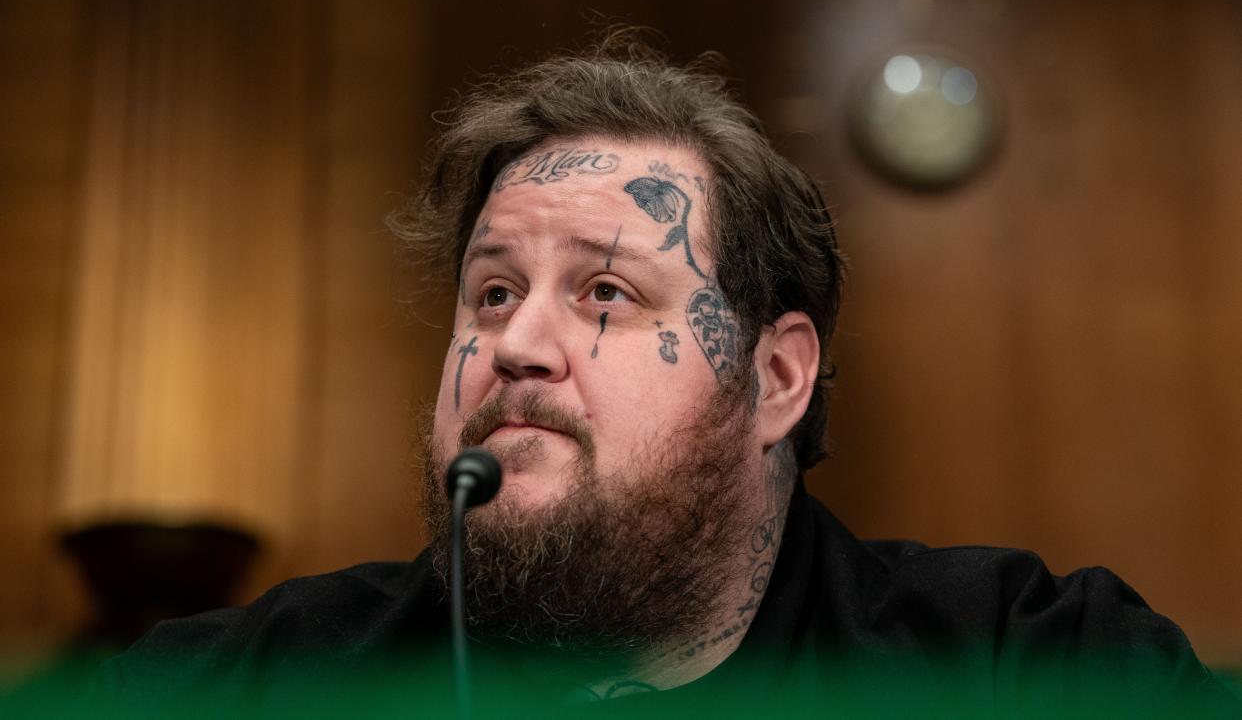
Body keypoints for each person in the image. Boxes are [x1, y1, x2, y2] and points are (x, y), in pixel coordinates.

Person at [96, 36, 1239, 718]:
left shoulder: (1024, 664)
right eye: (492, 293)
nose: (515, 345)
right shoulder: (250, 683)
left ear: (778, 378)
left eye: (606, 295)